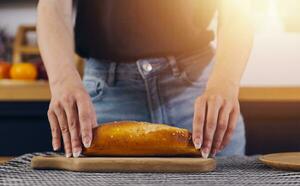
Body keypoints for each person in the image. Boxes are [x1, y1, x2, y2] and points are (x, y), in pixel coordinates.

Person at [37, 0, 253, 158]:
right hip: (105, 98)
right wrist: (62, 80)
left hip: (199, 96)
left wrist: (225, 83)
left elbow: (239, 10)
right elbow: (53, 7)